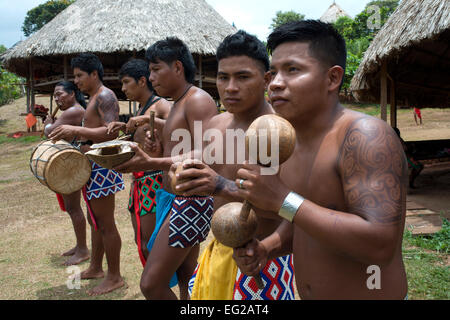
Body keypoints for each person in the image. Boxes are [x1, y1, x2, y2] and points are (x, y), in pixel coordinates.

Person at [233, 20, 408, 299]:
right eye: (273, 73)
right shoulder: (291, 142)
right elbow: (308, 216)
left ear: (332, 78)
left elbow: (379, 245)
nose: (276, 84)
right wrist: (270, 247)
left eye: (293, 70)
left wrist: (282, 199)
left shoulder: (364, 136)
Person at [171, 30, 295, 300]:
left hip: (262, 257)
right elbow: (202, 165)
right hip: (217, 250)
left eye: (242, 77)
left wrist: (221, 186)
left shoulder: (281, 132)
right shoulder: (216, 124)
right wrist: (180, 170)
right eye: (223, 77)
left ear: (266, 80)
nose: (230, 87)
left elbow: (292, 206)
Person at [114, 37, 218, 300]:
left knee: (151, 284)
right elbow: (181, 148)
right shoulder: (177, 102)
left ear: (178, 68)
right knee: (184, 273)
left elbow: (209, 152)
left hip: (190, 200)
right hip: (172, 197)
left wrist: (151, 162)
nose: (150, 77)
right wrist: (158, 146)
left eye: (156, 69)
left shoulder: (198, 101)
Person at [49, 53, 125, 296]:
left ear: (94, 74)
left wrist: (75, 129)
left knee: (106, 224)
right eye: (75, 76)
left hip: (102, 165)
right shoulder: (94, 97)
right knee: (95, 221)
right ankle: (96, 267)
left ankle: (115, 276)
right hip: (92, 166)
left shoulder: (104, 95)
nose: (77, 80)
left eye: (80, 75)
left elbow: (112, 132)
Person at [106, 59, 171, 266]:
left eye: (126, 82)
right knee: (141, 241)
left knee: (152, 244)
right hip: (140, 182)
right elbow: (144, 135)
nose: (123, 88)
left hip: (155, 181)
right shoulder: (142, 108)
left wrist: (156, 138)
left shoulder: (161, 105)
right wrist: (125, 127)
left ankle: (159, 286)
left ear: (142, 81)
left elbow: (177, 131)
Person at [44, 81, 89, 266]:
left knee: (74, 207)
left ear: (72, 94)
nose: (57, 99)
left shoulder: (74, 111)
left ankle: (83, 250)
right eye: (55, 96)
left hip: (73, 164)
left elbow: (50, 133)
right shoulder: (71, 112)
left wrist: (48, 124)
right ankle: (80, 246)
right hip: (70, 162)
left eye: (60, 94)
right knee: (73, 208)